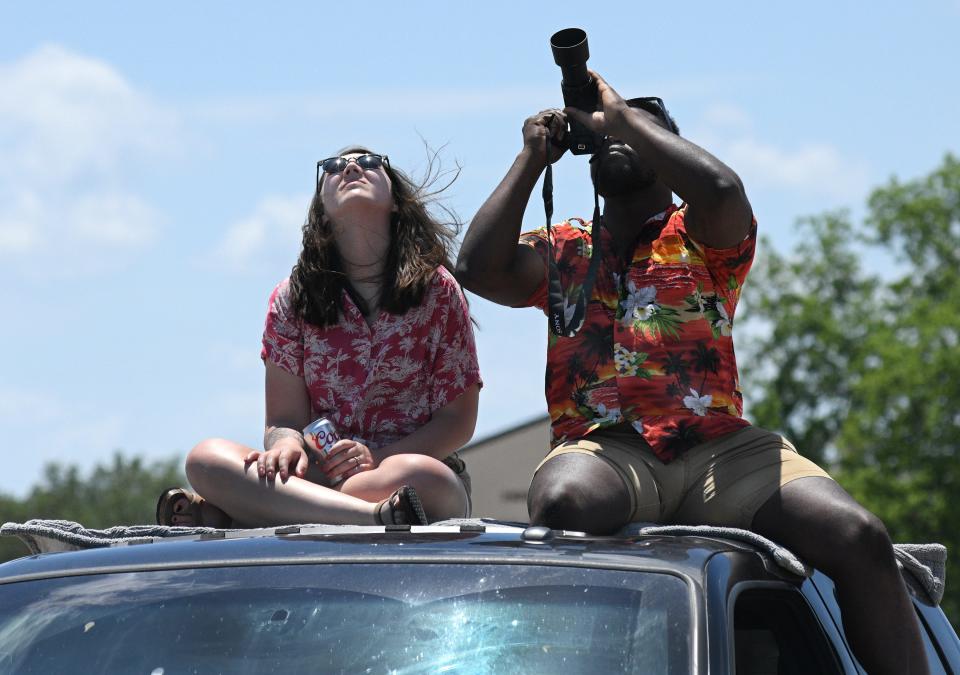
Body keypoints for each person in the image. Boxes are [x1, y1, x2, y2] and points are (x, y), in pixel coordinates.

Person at [455, 70, 928, 674]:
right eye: (601, 137)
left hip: (723, 449)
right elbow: (477, 267)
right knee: (565, 502)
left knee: (859, 535)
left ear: (667, 153)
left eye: (639, 128)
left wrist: (623, 119)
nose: (614, 135)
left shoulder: (703, 234)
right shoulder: (567, 247)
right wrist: (530, 157)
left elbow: (723, 188)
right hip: (608, 450)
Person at [158, 146, 481, 528]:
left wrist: (376, 457)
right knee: (205, 459)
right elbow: (283, 420)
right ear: (322, 214)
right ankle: (372, 516)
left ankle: (257, 511)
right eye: (333, 167)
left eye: (369, 162)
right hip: (321, 474)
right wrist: (285, 445)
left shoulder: (438, 291)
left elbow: (457, 422)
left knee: (424, 477)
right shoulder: (291, 299)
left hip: (405, 473)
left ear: (396, 202)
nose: (350, 168)